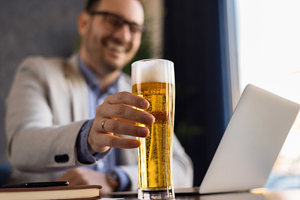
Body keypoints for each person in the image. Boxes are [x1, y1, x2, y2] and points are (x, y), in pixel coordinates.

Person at [5, 0, 193, 194]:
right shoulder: (39, 73)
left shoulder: (142, 92)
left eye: (134, 29)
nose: (124, 36)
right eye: (114, 21)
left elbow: (181, 169)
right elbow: (21, 147)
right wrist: (86, 138)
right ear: (84, 23)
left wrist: (114, 178)